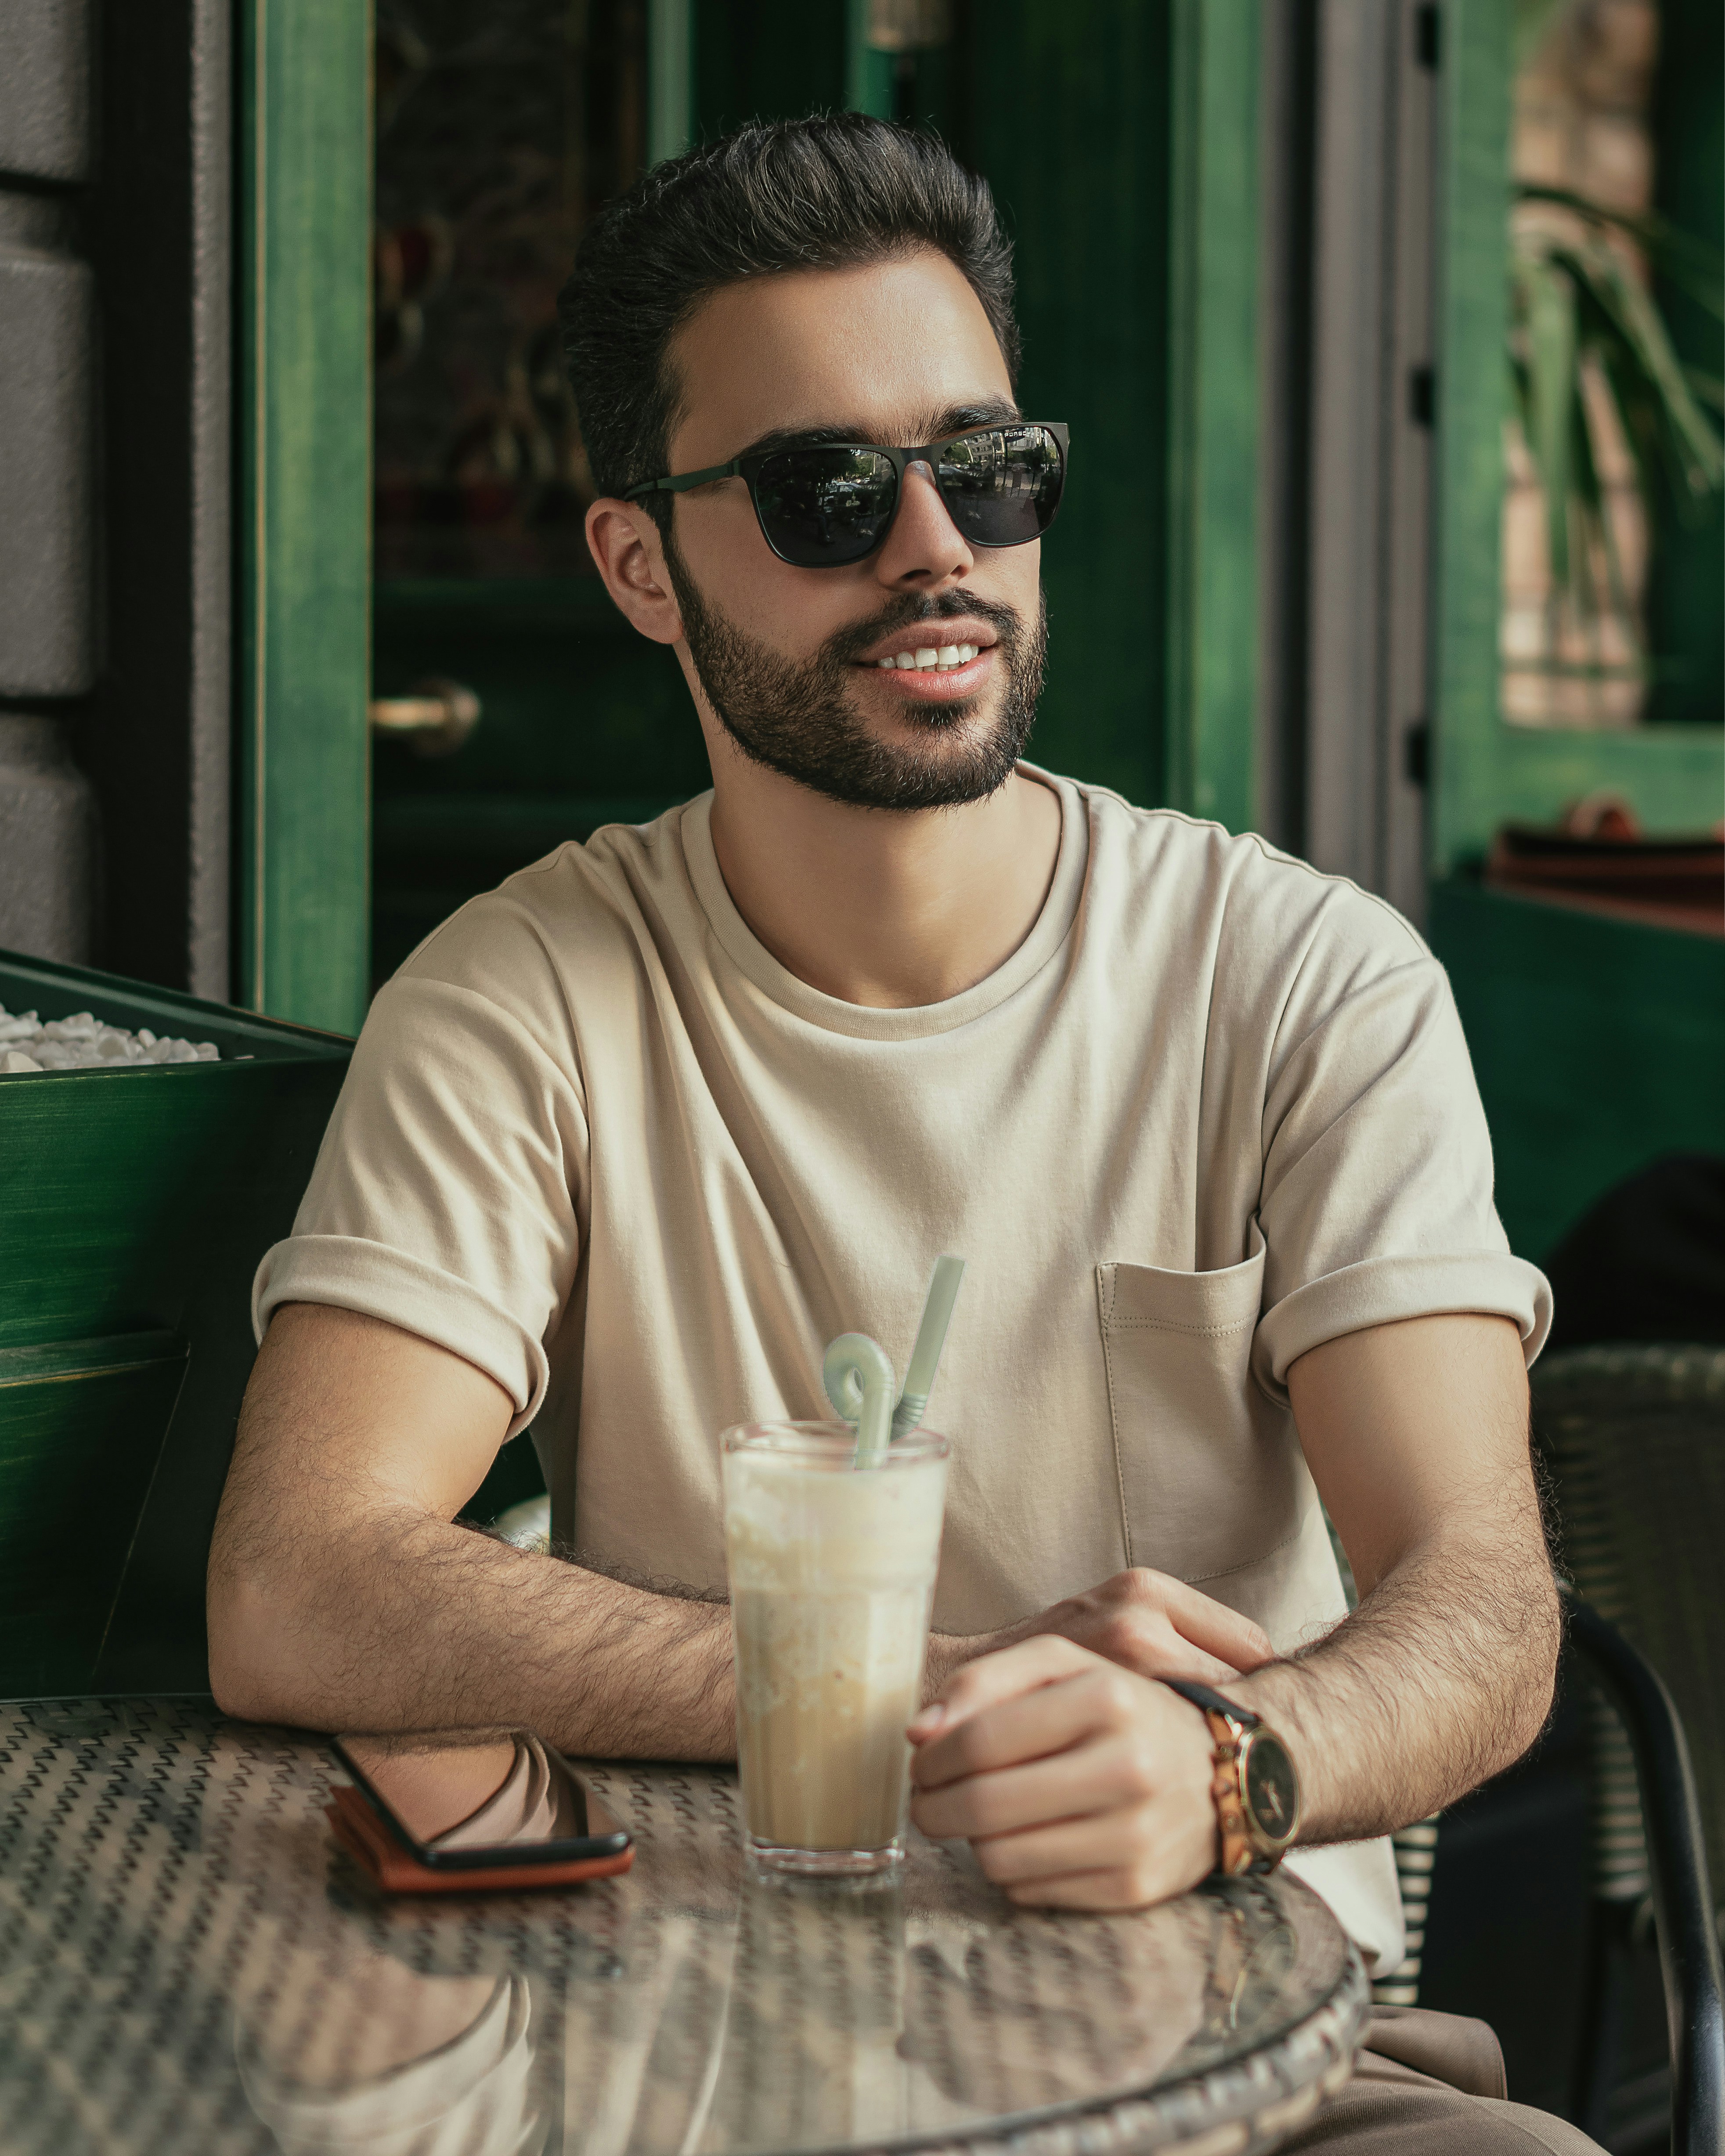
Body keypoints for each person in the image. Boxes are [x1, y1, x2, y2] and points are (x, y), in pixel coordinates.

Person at [208, 116, 1599, 2151]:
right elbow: (300, 1581)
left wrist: (1234, 1764)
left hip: (1264, 2070)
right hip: (690, 2053)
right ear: (638, 566)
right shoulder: (525, 995)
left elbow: (1484, 1606)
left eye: (989, 468)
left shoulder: (1304, 978)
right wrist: (906, 1686)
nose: (934, 545)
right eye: (825, 489)